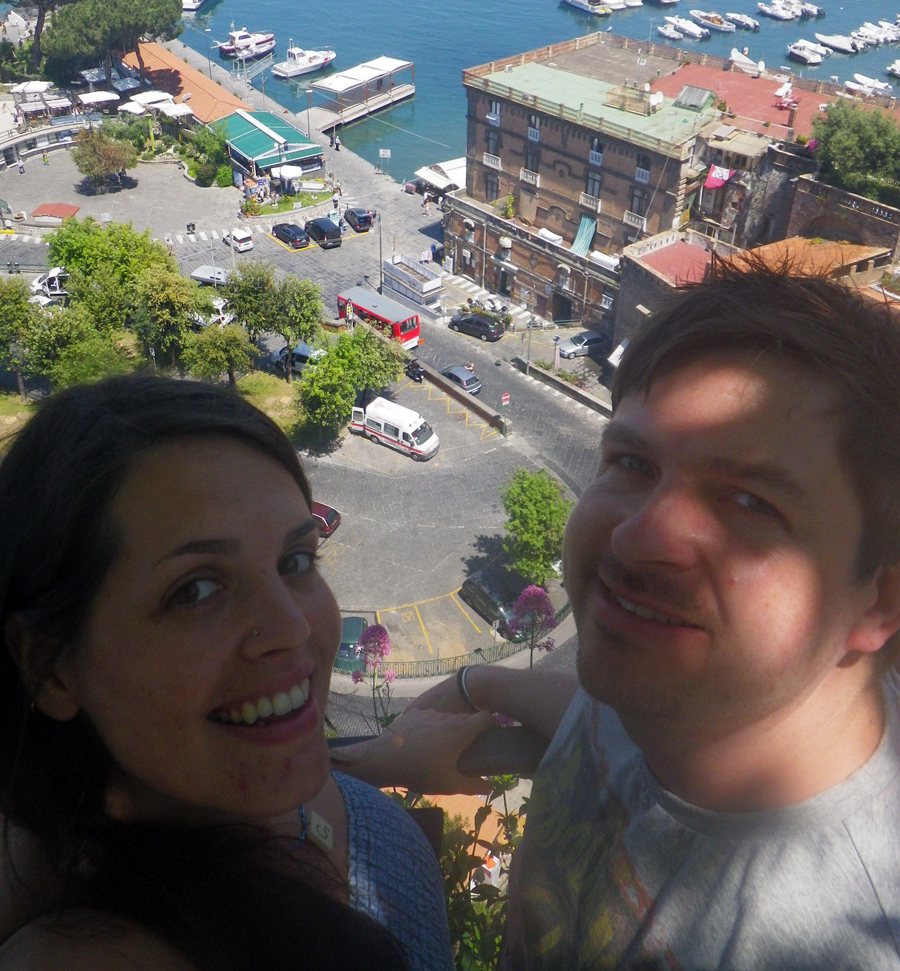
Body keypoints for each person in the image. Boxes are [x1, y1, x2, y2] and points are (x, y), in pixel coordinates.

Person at [407, 258, 900, 969]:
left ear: (879, 601)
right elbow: (603, 726)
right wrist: (478, 686)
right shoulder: (688, 689)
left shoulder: (836, 944)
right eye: (633, 462)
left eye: (750, 502)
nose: (637, 538)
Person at [0, 377, 466, 971]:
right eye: (195, 590)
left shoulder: (239, 792)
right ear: (52, 669)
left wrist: (377, 756)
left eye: (295, 561)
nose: (292, 627)